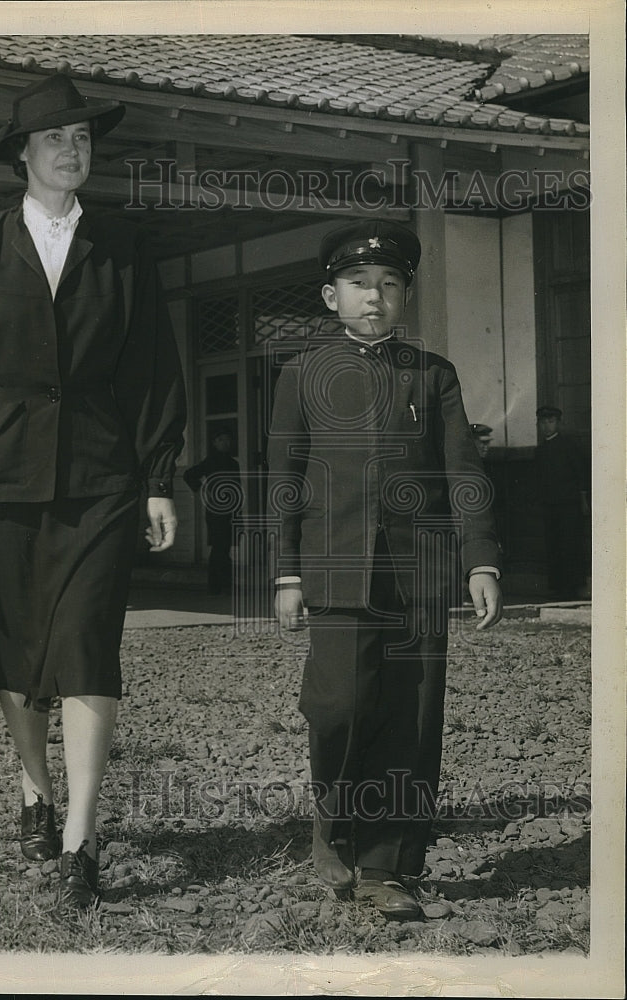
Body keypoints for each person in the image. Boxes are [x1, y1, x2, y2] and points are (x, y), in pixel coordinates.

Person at [0, 74, 186, 913]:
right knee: (16, 650)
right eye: (57, 138)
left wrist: (158, 480)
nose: (73, 150)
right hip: (0, 476)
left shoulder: (125, 247)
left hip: (101, 479)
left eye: (85, 138)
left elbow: (152, 369)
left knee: (89, 643)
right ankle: (35, 791)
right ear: (22, 154)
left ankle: (80, 839)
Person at [267, 220, 502, 921]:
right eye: (359, 285)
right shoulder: (301, 374)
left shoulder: (434, 376)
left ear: (405, 297)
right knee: (338, 707)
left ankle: (388, 867)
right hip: (335, 571)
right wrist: (286, 573)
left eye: (390, 285)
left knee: (410, 719)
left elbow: (465, 473)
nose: (375, 298)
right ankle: (332, 825)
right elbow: (284, 478)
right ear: (330, 295)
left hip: (418, 577)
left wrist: (480, 560)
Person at [535, 405, 590, 599]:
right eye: (543, 422)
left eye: (550, 422)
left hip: (569, 504)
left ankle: (574, 586)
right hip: (550, 505)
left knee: (570, 544)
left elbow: (580, 472)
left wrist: (583, 500)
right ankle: (557, 586)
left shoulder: (569, 445)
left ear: (558, 423)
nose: (547, 426)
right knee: (554, 544)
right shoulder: (540, 451)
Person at [183, 428, 242, 595]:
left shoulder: (233, 463)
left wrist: (238, 512)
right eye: (221, 439)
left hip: (232, 509)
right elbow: (188, 475)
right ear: (214, 442)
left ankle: (226, 584)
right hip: (216, 511)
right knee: (218, 547)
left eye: (228, 440)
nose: (226, 443)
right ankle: (215, 586)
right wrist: (204, 491)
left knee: (225, 547)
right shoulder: (211, 461)